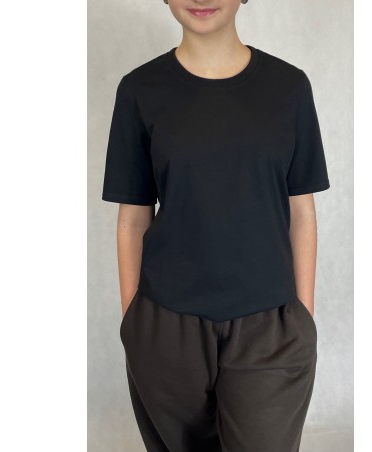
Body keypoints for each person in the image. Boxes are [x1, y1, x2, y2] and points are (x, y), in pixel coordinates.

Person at [102, 0, 330, 450]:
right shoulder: (139, 90)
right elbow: (134, 215)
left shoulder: (288, 87)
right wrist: (133, 319)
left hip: (270, 325)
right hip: (166, 325)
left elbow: (302, 211)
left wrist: (302, 315)